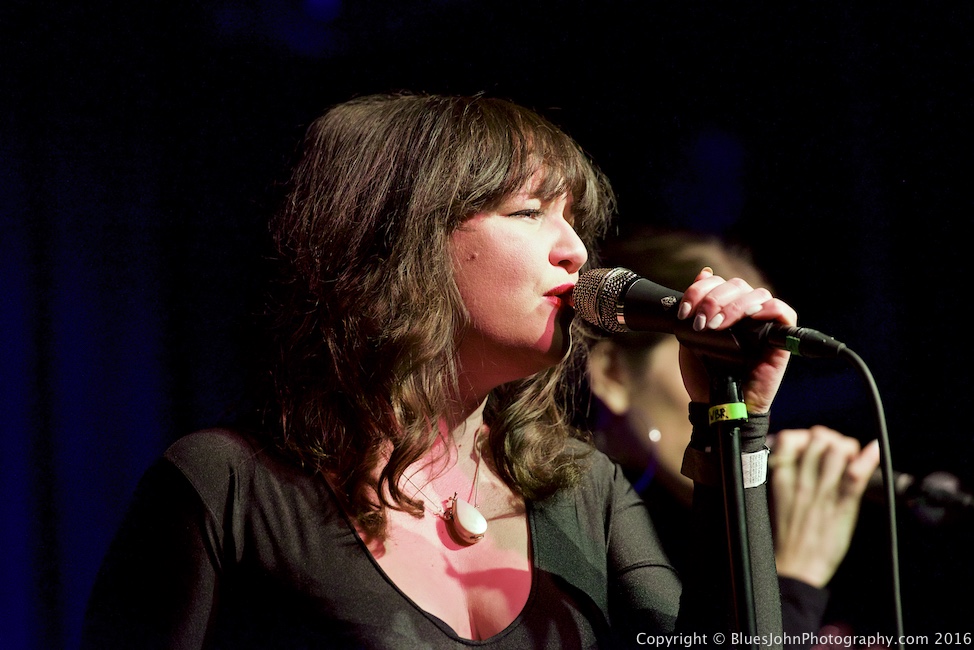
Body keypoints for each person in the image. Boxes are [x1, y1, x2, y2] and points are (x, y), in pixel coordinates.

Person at [81, 93, 799, 649]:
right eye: (528, 212)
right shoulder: (227, 487)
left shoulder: (585, 491)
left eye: (574, 218)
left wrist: (734, 423)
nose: (576, 250)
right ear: (403, 244)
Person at [584, 226, 881, 646]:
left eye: (750, 357)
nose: (738, 382)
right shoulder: (593, 533)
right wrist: (792, 583)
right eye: (713, 354)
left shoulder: (701, 522)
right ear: (613, 372)